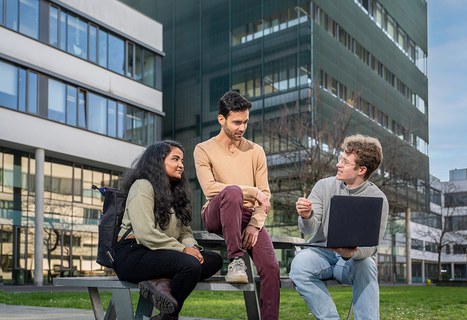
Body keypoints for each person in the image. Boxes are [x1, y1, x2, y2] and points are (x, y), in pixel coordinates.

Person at [193, 90, 280, 320]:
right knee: (231, 192)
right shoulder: (203, 149)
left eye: (245, 122)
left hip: (246, 216)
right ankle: (236, 260)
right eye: (236, 122)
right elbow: (210, 188)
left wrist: (254, 224)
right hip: (216, 212)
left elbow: (266, 195)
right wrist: (251, 191)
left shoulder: (256, 151)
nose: (242, 127)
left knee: (271, 269)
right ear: (221, 119)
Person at [113, 140, 223, 320]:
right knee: (190, 265)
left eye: (182, 160)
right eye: (175, 159)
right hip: (133, 253)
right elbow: (145, 233)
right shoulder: (142, 186)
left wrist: (192, 248)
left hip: (161, 254)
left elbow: (185, 233)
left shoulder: (175, 194)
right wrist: (183, 250)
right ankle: (168, 317)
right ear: (158, 160)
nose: (181, 165)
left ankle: (161, 282)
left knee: (213, 260)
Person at [289, 134, 389, 320]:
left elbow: (372, 246)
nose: (338, 164)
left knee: (367, 266)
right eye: (340, 159)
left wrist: (350, 254)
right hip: (321, 253)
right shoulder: (323, 186)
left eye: (344, 161)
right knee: (299, 264)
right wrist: (307, 216)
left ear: (361, 170)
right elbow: (309, 230)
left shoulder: (378, 199)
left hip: (352, 260)